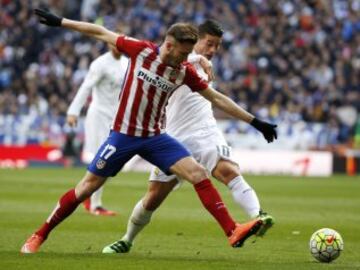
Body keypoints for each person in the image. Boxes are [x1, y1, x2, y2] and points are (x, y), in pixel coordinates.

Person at [21, 9, 277, 254]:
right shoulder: (141, 50)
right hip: (123, 135)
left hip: (155, 137)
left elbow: (217, 98)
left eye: (189, 54)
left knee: (198, 173)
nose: (185, 59)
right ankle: (40, 234)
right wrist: (61, 22)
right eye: (183, 53)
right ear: (168, 45)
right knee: (86, 189)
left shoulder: (183, 71)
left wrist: (255, 122)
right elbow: (100, 32)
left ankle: (232, 230)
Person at [102, 20, 273, 254]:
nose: (212, 50)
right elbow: (159, 56)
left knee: (228, 171)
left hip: (205, 133)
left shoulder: (201, 67)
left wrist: (256, 122)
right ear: (195, 41)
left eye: (217, 46)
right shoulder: (177, 62)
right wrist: (196, 58)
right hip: (171, 139)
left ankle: (258, 217)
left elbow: (218, 99)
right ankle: (127, 239)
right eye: (209, 44)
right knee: (153, 198)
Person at [66, 43, 129, 216]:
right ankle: (94, 203)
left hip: (116, 117)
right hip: (99, 115)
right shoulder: (100, 63)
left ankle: (89, 196)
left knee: (111, 158)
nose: (118, 46)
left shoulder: (126, 63)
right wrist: (73, 111)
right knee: (100, 157)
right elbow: (86, 86)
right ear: (109, 43)